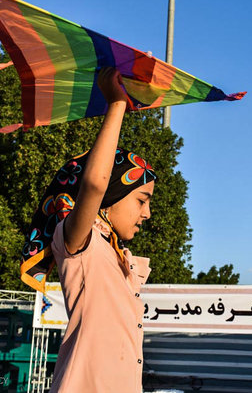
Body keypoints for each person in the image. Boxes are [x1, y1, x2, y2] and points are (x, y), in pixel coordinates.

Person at [24, 68, 156, 392]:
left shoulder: (120, 258)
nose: (147, 213)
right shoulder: (81, 243)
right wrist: (117, 104)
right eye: (142, 200)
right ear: (111, 197)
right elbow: (95, 183)